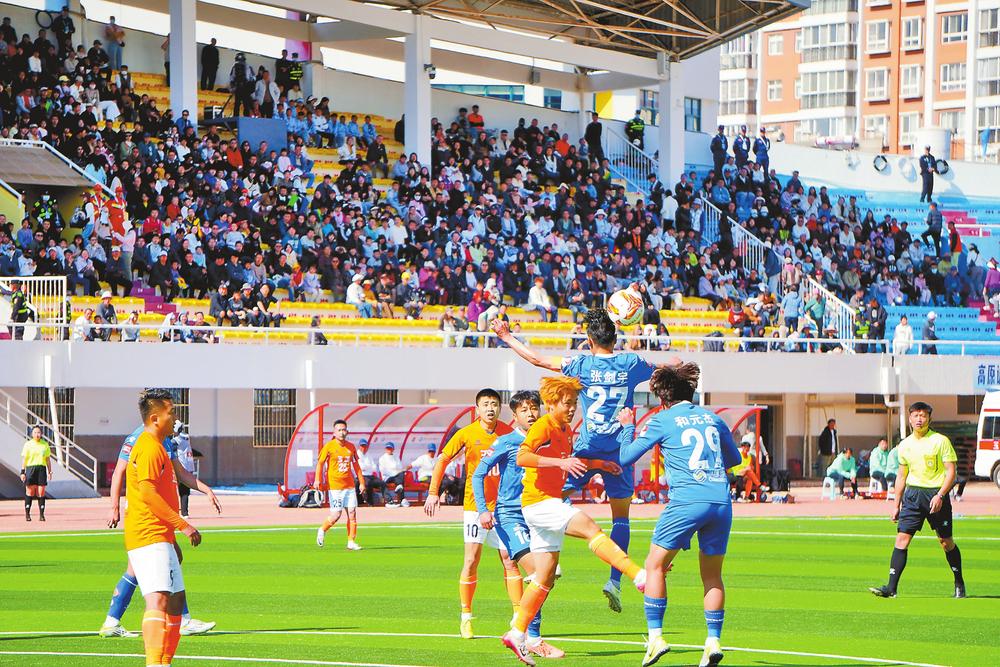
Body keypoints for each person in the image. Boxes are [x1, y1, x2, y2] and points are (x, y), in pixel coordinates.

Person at [492, 309, 669, 613]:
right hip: (619, 450)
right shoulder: (631, 363)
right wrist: (676, 365)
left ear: (589, 340)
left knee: (547, 497)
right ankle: (614, 581)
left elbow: (538, 360)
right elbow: (664, 369)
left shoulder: (582, 364)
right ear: (616, 336)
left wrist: (506, 336)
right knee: (621, 518)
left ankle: (534, 548)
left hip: (586, 449)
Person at [500, 376, 645, 665]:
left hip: (543, 505)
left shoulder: (565, 429)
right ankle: (639, 576)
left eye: (575, 403)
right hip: (540, 503)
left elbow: (571, 459)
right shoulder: (543, 426)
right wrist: (560, 463)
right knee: (591, 528)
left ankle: (516, 634)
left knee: (544, 578)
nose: (572, 408)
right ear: (551, 403)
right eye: (567, 403)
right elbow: (522, 456)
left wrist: (599, 464)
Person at [616, 362, 741, 667]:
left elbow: (626, 457)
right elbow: (734, 459)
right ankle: (713, 642)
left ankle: (656, 638)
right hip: (720, 501)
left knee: (654, 566)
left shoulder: (662, 419)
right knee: (712, 576)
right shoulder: (713, 418)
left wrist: (627, 426)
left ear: (662, 398)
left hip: (687, 501)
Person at [100, 414, 220, 639]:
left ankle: (111, 621)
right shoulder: (137, 439)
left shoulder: (166, 441)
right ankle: (182, 621)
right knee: (168, 561)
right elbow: (118, 472)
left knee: (139, 569)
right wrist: (114, 507)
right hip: (146, 517)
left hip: (160, 515)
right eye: (170, 413)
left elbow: (181, 474)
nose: (174, 419)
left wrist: (207, 490)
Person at [471, 390, 565, 660]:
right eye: (524, 410)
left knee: (546, 577)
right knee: (540, 573)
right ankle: (530, 637)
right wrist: (483, 510)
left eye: (534, 408)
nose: (531, 413)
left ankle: (526, 633)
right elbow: (478, 474)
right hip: (510, 516)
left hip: (538, 514)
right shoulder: (506, 442)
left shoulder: (546, 441)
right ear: (514, 415)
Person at [423, 388, 514, 639]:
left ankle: (519, 617)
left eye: (494, 404)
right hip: (476, 506)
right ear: (477, 409)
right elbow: (443, 459)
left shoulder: (508, 433)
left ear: (500, 408)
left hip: (503, 506)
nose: (490, 408)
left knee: (509, 559)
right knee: (472, 560)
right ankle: (466, 616)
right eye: (486, 404)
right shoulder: (466, 433)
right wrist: (433, 492)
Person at [122, 389, 201, 666]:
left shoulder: (159, 445)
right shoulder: (148, 447)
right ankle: (155, 662)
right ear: (155, 418)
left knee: (176, 599)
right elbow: (148, 494)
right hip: (148, 535)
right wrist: (183, 525)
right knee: (158, 599)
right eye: (171, 412)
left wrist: (171, 538)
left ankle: (164, 661)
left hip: (160, 536)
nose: (175, 417)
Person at [870, 402, 966, 598]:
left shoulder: (940, 441)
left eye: (923, 415)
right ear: (910, 419)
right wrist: (896, 505)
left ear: (929, 418)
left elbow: (951, 473)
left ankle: (959, 582)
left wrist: (940, 495)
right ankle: (891, 588)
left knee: (945, 542)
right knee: (902, 539)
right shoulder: (905, 445)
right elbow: (901, 476)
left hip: (936, 495)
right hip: (913, 496)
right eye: (916, 416)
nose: (919, 419)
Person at [315, 419, 365, 551]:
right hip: (335, 487)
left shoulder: (351, 447)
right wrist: (317, 479)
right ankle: (322, 529)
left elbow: (356, 466)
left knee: (352, 513)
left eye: (344, 430)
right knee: (336, 515)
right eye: (339, 430)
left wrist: (362, 482)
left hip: (349, 486)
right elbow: (320, 463)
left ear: (347, 431)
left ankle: (351, 542)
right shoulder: (329, 446)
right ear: (334, 432)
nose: (342, 432)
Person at [21, 425, 51, 522]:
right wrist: (22, 472)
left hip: (41, 469)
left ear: (41, 434)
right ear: (32, 434)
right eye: (35, 432)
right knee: (30, 491)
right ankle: (27, 514)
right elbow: (25, 459)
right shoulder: (28, 444)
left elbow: (48, 459)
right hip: (31, 468)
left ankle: (41, 515)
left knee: (41, 492)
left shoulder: (45, 444)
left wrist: (50, 471)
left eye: (38, 432)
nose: (37, 434)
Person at [173, 421, 196, 518]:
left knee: (183, 491)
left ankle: (184, 513)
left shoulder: (178, 440)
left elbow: (169, 446)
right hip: (189, 467)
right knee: (185, 491)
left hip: (182, 468)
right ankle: (184, 511)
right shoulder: (186, 437)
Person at [355, 439, 384, 506]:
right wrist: (368, 466)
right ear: (359, 446)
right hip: (360, 476)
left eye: (365, 446)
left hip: (370, 475)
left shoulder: (369, 455)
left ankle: (389, 500)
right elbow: (361, 467)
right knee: (368, 483)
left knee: (382, 483)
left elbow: (374, 467)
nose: (364, 448)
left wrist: (366, 467)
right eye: (362, 446)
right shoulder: (356, 454)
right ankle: (369, 503)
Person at [378, 442, 408, 506]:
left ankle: (400, 489)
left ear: (393, 449)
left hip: (396, 477)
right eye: (387, 448)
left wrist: (397, 472)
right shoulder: (382, 458)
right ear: (385, 449)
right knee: (400, 481)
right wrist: (395, 472)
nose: (389, 449)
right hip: (387, 477)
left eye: (390, 448)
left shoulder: (396, 457)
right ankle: (402, 499)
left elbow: (400, 467)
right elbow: (383, 471)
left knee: (402, 474)